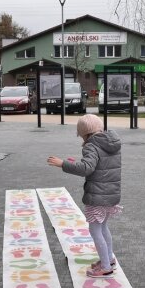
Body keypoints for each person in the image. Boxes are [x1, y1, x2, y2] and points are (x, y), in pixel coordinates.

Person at [47, 114, 122, 278]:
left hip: (97, 196)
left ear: (84, 133)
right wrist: (77, 163)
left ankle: (105, 267)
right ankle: (108, 258)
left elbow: (86, 168)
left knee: (95, 230)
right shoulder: (112, 143)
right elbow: (99, 165)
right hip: (111, 194)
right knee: (103, 228)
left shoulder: (91, 146)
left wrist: (63, 164)